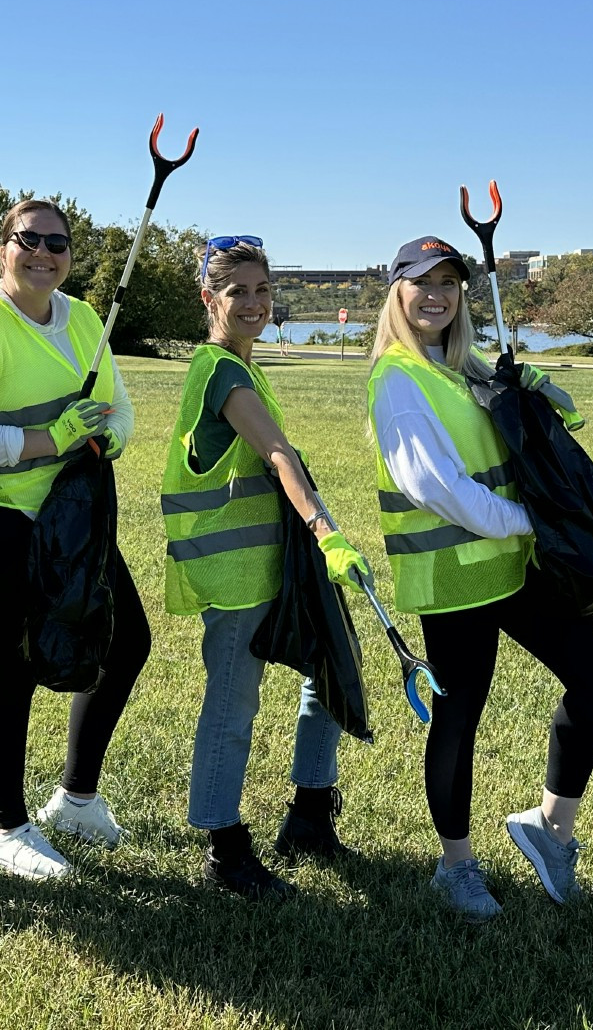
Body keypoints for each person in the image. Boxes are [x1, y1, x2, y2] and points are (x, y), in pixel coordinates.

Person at [366, 235, 593, 922]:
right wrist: (530, 517)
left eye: (449, 283)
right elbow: (434, 486)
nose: (437, 295)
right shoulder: (397, 379)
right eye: (423, 282)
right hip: (454, 576)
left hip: (510, 566)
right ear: (398, 292)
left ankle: (549, 827)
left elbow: (512, 426)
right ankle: (454, 868)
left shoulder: (458, 366)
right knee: (459, 718)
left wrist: (537, 397)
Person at [0, 199, 149, 881]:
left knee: (127, 638)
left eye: (57, 243)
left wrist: (109, 431)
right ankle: (5, 828)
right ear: (4, 247)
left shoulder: (84, 317)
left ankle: (76, 798)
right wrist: (49, 438)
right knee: (13, 665)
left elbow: (121, 406)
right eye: (29, 240)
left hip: (74, 516)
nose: (43, 253)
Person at [162, 235, 375, 901]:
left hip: (275, 566)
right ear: (208, 298)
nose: (253, 303)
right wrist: (324, 528)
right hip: (235, 576)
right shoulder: (221, 371)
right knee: (231, 706)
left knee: (327, 664)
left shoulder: (244, 365)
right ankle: (225, 849)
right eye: (237, 292)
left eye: (262, 290)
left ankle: (310, 812)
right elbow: (278, 452)